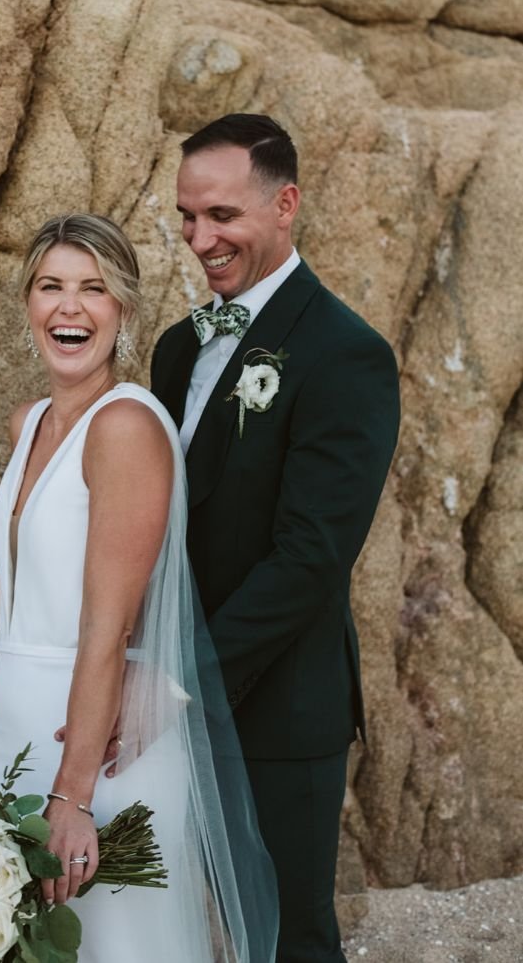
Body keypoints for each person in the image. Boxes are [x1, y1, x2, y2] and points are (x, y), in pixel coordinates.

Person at [0, 213, 278, 963]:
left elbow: (107, 622)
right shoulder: (32, 421)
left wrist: (73, 796)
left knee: (111, 945)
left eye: (93, 289)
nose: (69, 307)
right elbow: (33, 572)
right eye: (51, 286)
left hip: (95, 745)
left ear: (124, 311)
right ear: (27, 304)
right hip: (20, 718)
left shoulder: (125, 428)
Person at [149, 114, 401, 963]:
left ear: (284, 203)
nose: (200, 237)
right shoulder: (177, 348)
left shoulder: (344, 354)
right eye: (187, 216)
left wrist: (182, 680)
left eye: (221, 215)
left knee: (286, 937)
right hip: (157, 691)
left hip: (277, 707)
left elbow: (311, 557)